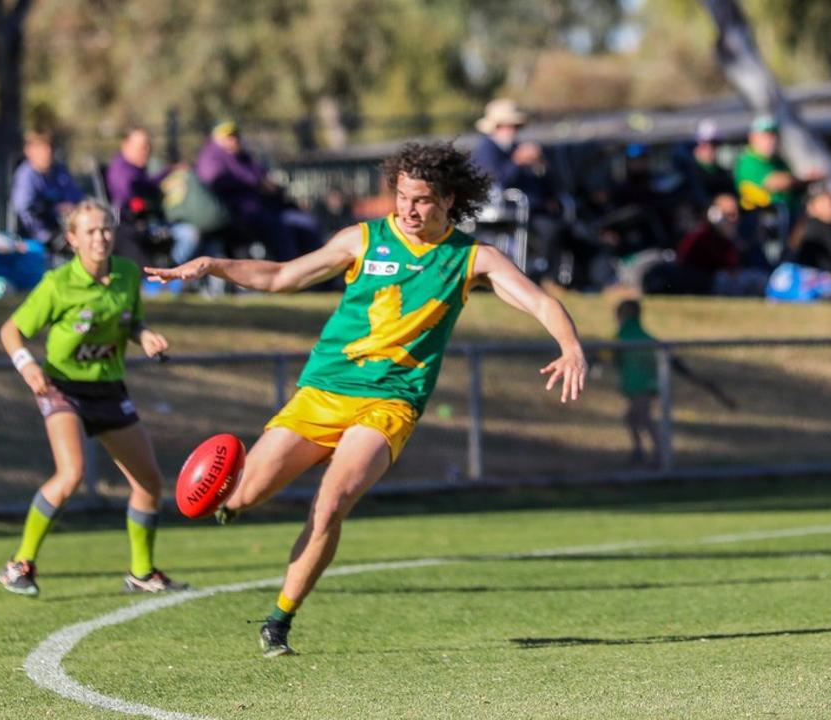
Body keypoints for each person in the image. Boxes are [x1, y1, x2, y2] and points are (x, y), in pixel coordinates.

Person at [146, 141, 587, 657]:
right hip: (321, 393)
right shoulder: (363, 239)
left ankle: (279, 620)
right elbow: (283, 275)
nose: (407, 209)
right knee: (241, 496)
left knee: (331, 503)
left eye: (421, 199)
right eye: (401, 197)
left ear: (448, 199)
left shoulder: (472, 258)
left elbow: (538, 300)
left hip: (389, 404)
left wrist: (570, 344)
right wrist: (211, 266)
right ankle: (234, 507)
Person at [0, 198, 187, 598]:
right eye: (90, 231)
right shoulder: (57, 284)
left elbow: (132, 322)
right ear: (72, 239)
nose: (100, 237)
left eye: (106, 229)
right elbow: (10, 331)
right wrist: (26, 364)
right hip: (62, 387)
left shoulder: (128, 275)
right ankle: (20, 565)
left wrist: (145, 337)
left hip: (109, 389)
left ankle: (141, 572)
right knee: (72, 474)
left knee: (149, 481)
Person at [471, 98, 568, 281]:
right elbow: (498, 181)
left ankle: (556, 276)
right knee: (550, 229)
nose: (513, 131)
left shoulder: (515, 148)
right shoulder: (487, 150)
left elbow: (538, 182)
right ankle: (542, 275)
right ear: (496, 127)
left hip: (531, 207)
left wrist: (541, 167)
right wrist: (517, 161)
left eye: (515, 126)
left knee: (566, 227)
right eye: (508, 126)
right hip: (510, 209)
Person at [196, 121, 298, 260]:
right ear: (216, 138)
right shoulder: (211, 157)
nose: (234, 140)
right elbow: (215, 181)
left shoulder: (241, 156)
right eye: (228, 137)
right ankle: (288, 271)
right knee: (278, 229)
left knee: (299, 224)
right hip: (235, 213)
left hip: (260, 207)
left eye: (235, 136)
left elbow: (260, 175)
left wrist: (268, 185)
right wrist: (255, 183)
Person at [106, 126, 197, 266]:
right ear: (126, 145)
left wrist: (168, 172)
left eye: (148, 145)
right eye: (142, 146)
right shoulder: (124, 173)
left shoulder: (135, 169)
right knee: (190, 235)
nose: (147, 150)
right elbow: (132, 196)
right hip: (136, 226)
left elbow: (148, 185)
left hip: (146, 222)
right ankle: (172, 276)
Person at [10, 129, 84, 246]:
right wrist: (53, 209)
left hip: (66, 230)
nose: (48, 152)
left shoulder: (60, 171)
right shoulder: (26, 175)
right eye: (42, 148)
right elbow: (24, 210)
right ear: (29, 151)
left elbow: (76, 198)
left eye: (50, 147)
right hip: (40, 239)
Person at [613, 299, 658, 464]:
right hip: (642, 384)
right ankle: (639, 450)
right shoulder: (638, 335)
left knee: (644, 418)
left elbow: (607, 353)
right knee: (632, 417)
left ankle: (660, 453)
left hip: (642, 385)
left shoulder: (625, 335)